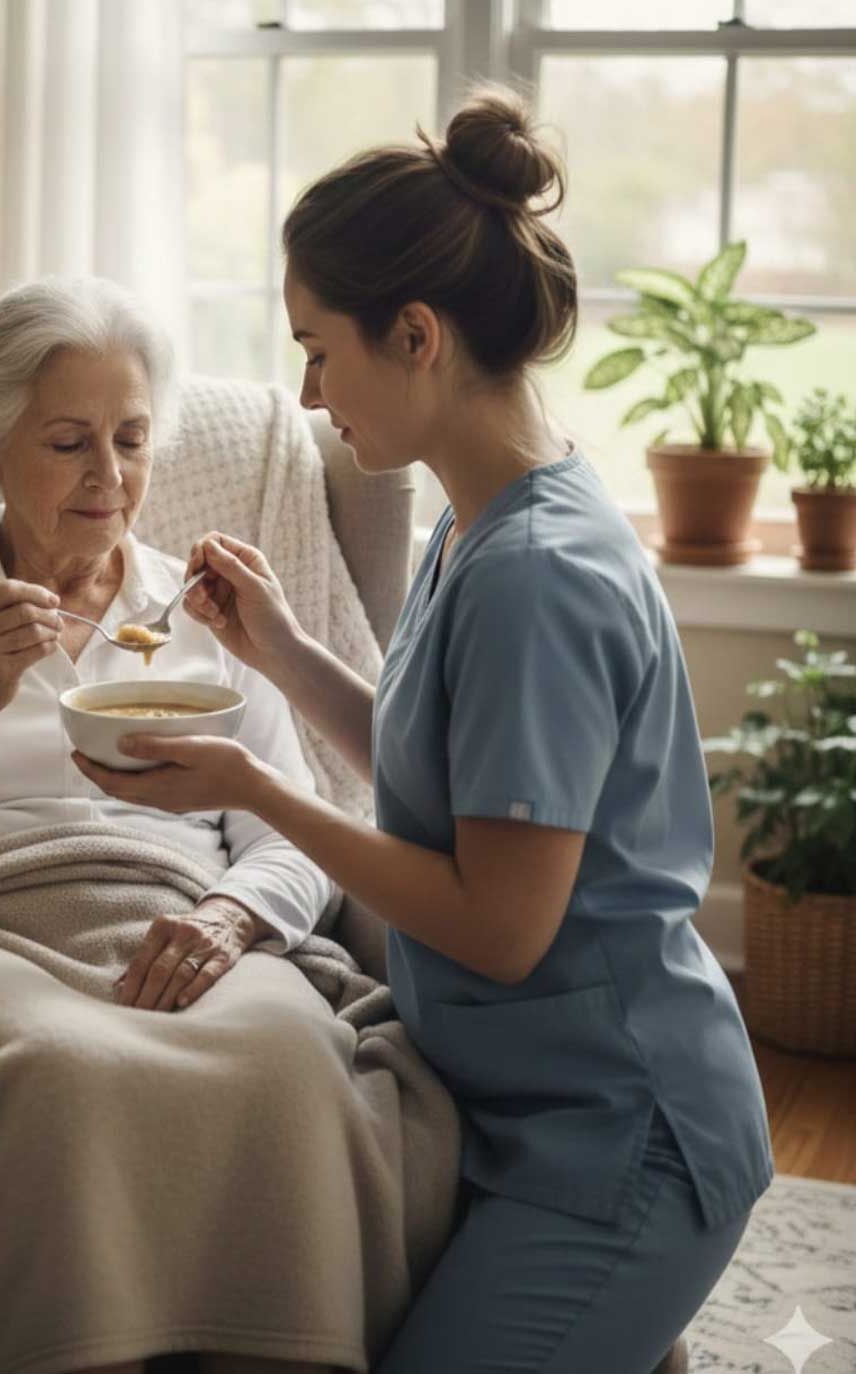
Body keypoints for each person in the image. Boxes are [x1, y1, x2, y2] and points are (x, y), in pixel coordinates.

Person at [76, 85, 772, 1374]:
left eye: (317, 349)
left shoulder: (533, 576)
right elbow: (442, 772)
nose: (305, 392)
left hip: (625, 1136)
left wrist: (254, 790)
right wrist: (282, 652)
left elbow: (498, 927)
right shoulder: (487, 516)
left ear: (414, 335)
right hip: (532, 1108)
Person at [0, 277, 445, 1374]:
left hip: (184, 915)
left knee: (283, 1056)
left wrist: (233, 914)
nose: (109, 476)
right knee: (63, 1068)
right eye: (69, 441)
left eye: (130, 439)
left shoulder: (206, 612)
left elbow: (290, 827)